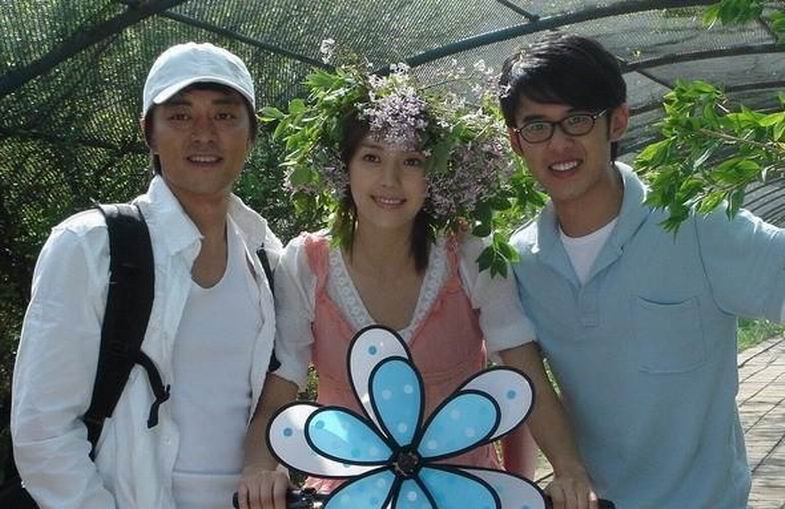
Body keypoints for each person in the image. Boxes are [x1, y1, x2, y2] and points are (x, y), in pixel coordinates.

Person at [237, 63, 597, 509]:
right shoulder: (307, 264)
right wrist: (258, 467)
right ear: (343, 167)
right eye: (371, 158)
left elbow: (524, 372)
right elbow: (281, 386)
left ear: (436, 174)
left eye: (412, 161)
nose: (390, 180)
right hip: (351, 497)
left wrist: (569, 471)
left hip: (466, 494)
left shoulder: (470, 254)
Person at [500, 33, 785, 509]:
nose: (559, 144)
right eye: (537, 127)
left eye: (577, 119)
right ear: (516, 141)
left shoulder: (696, 225)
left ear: (617, 122)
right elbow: (523, 381)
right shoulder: (521, 262)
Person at [11, 42, 282, 509]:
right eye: (179, 116)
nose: (204, 134)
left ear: (251, 134)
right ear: (149, 133)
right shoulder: (92, 246)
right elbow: (43, 431)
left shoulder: (267, 258)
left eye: (224, 116)